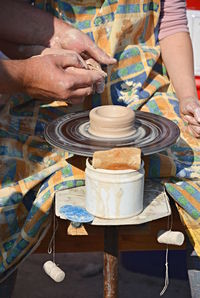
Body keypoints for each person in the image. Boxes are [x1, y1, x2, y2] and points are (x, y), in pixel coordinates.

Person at [0, 0, 200, 297]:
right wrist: (35, 58)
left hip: (141, 94)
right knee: (4, 197)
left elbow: (171, 23)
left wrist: (187, 98)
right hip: (44, 94)